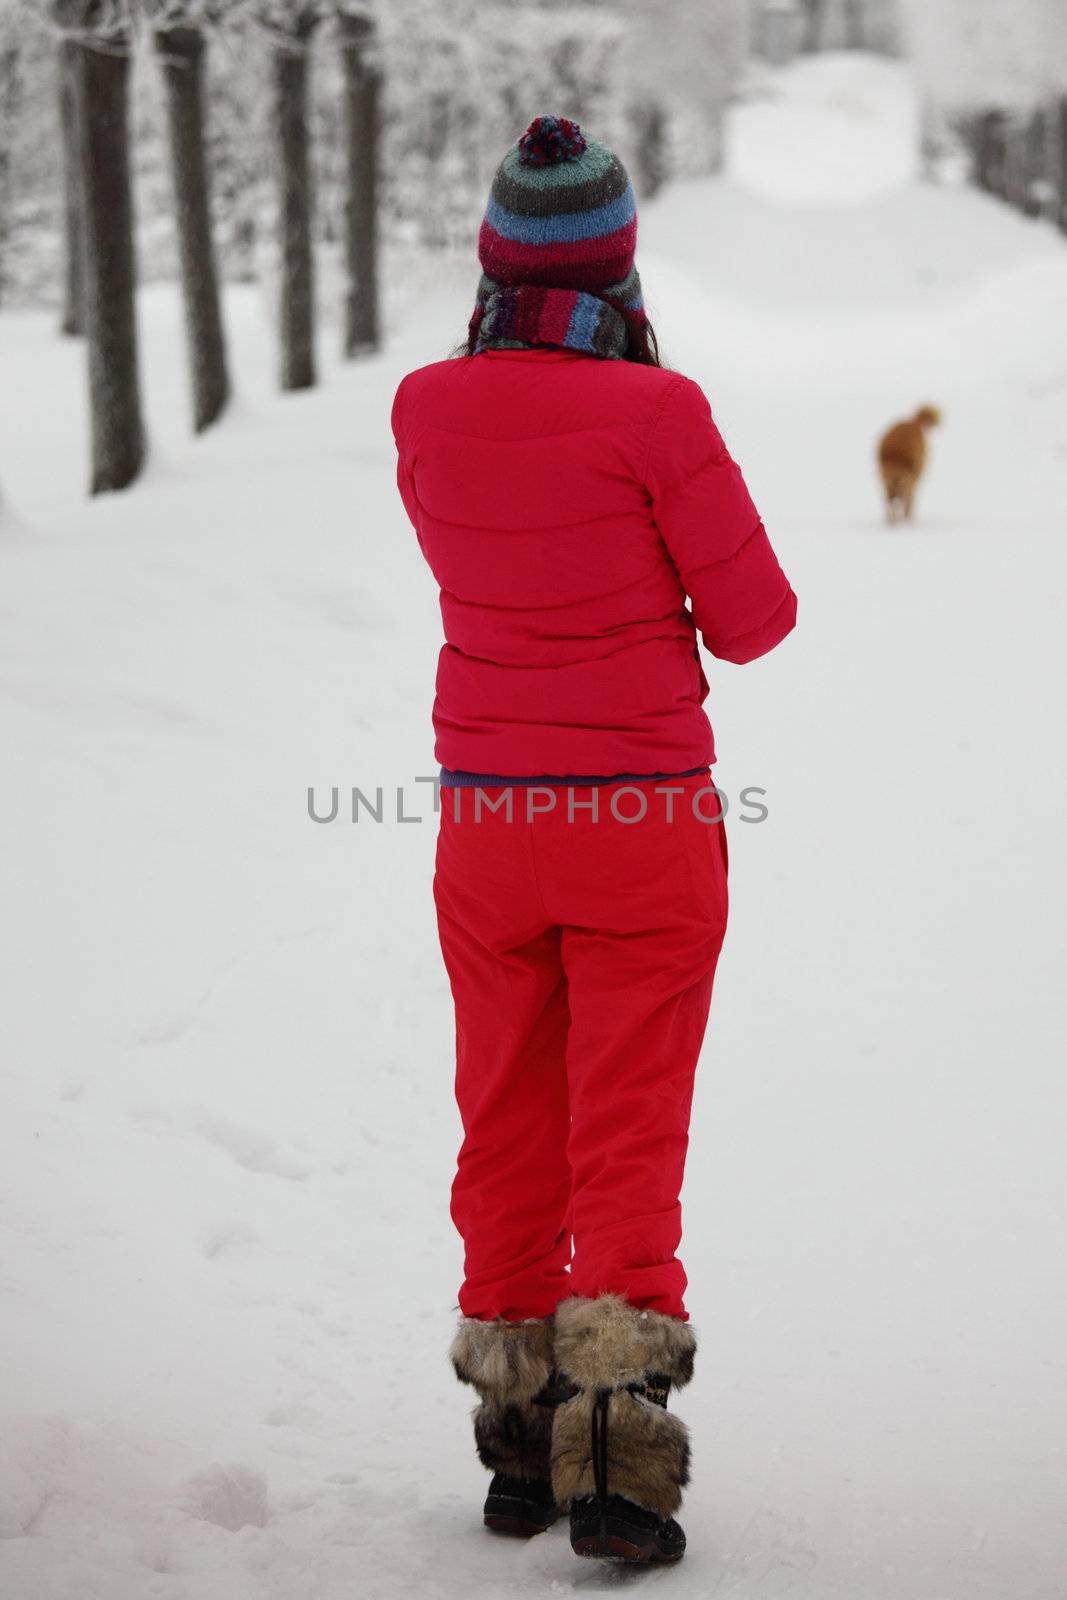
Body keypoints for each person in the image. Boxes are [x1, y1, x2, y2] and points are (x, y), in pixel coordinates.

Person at [391, 115, 796, 1566]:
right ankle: (616, 1454)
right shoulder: (658, 414)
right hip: (641, 824)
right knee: (627, 1123)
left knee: (506, 1110)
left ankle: (513, 1442)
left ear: (496, 261)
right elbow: (755, 624)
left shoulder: (424, 409)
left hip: (488, 820)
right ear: (616, 264)